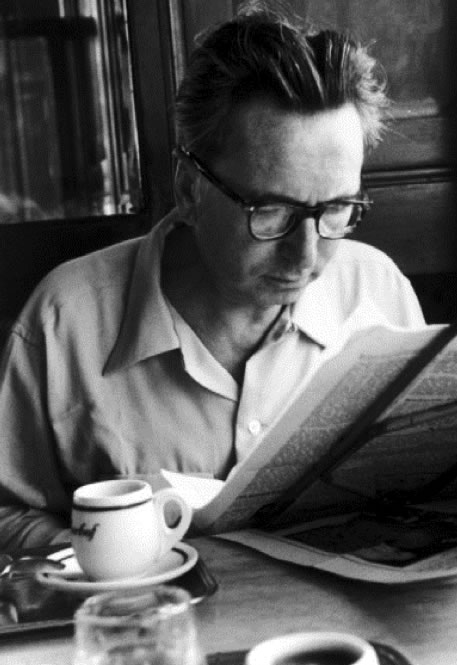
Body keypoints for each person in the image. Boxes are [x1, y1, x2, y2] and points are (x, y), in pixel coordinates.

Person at [0, 6, 425, 550]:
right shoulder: (64, 323)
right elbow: (8, 517)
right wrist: (116, 566)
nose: (306, 255)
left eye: (337, 209)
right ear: (189, 189)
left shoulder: (379, 291)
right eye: (272, 212)